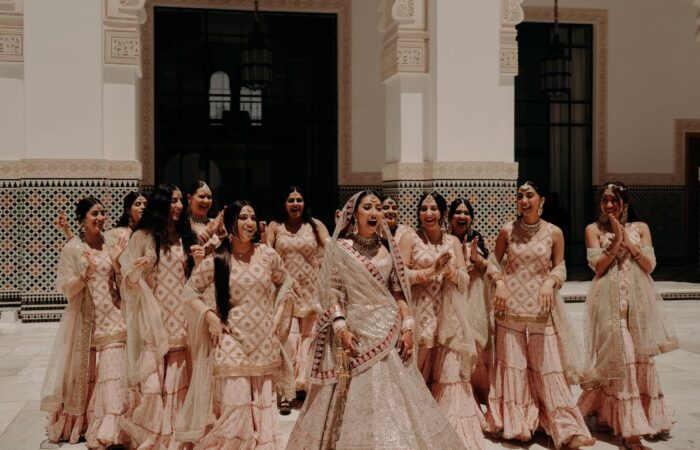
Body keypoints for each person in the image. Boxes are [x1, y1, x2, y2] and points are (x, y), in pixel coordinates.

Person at [286, 190, 465, 450]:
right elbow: (332, 293)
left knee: (397, 400)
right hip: (355, 334)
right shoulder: (340, 249)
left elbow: (398, 291)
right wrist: (341, 328)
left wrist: (408, 325)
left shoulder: (387, 248)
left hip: (389, 331)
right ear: (353, 214)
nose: (374, 213)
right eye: (368, 207)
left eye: (378, 208)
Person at [176, 200, 297, 449]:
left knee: (260, 401)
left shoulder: (267, 255)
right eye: (243, 218)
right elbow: (190, 291)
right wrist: (210, 317)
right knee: (235, 403)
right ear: (231, 222)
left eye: (253, 217)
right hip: (231, 340)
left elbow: (285, 283)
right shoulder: (220, 258)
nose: (250, 223)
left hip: (263, 340)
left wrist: (276, 317)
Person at [486, 181, 594, 448]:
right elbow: (492, 262)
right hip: (508, 308)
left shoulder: (554, 232)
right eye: (520, 196)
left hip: (541, 309)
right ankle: (519, 422)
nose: (524, 200)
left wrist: (550, 281)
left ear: (541, 201)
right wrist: (499, 281)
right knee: (514, 367)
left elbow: (561, 268)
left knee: (548, 369)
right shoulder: (507, 230)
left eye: (530, 195)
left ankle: (565, 428)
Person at [577, 182, 679, 450]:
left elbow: (649, 265)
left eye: (615, 200)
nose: (609, 205)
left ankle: (619, 414)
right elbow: (598, 268)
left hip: (638, 303)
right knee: (622, 359)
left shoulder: (641, 228)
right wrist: (616, 242)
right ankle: (629, 431)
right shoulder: (593, 230)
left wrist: (628, 241)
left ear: (626, 202)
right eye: (605, 200)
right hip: (608, 303)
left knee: (640, 359)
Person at [41, 197, 130, 449]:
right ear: (82, 219)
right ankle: (86, 423)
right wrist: (85, 274)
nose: (101, 217)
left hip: (114, 318)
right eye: (94, 214)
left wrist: (116, 264)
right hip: (87, 323)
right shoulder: (73, 249)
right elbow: (67, 290)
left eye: (103, 212)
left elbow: (123, 286)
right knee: (87, 376)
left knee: (114, 375)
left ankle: (111, 427)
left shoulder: (110, 243)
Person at [399, 192, 486, 450]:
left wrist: (450, 273)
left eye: (433, 208)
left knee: (449, 375)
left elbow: (464, 278)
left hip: (448, 317)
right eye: (424, 208)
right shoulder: (410, 238)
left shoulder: (452, 242)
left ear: (442, 213)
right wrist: (429, 271)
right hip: (420, 313)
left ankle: (447, 430)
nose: (428, 213)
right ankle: (417, 426)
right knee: (416, 371)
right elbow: (400, 275)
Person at [118, 184, 202, 449]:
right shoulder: (141, 237)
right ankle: (153, 430)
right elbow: (126, 281)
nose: (177, 206)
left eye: (179, 201)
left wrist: (200, 263)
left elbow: (198, 280)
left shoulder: (188, 237)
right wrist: (135, 269)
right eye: (171, 201)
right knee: (153, 382)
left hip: (182, 317)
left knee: (179, 379)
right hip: (153, 319)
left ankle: (176, 432)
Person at [266, 186, 330, 413]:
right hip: (285, 293)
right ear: (284, 203)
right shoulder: (275, 227)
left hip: (311, 292)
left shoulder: (315, 225)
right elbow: (266, 255)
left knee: (308, 340)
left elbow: (330, 247)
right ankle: (284, 392)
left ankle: (303, 387)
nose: (295, 204)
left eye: (299, 200)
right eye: (291, 199)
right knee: (287, 341)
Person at [448, 197, 491, 405]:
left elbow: (489, 269)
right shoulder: (446, 240)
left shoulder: (476, 239)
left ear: (472, 218)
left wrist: (477, 259)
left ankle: (480, 393)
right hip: (452, 301)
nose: (462, 216)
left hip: (474, 299)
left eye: (466, 213)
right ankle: (462, 396)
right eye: (457, 212)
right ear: (449, 218)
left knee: (477, 347)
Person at [186, 180, 226, 254]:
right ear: (189, 198)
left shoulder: (216, 223)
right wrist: (209, 232)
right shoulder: (184, 224)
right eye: (202, 196)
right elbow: (188, 251)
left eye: (209, 197)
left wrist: (221, 232)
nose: (206, 201)